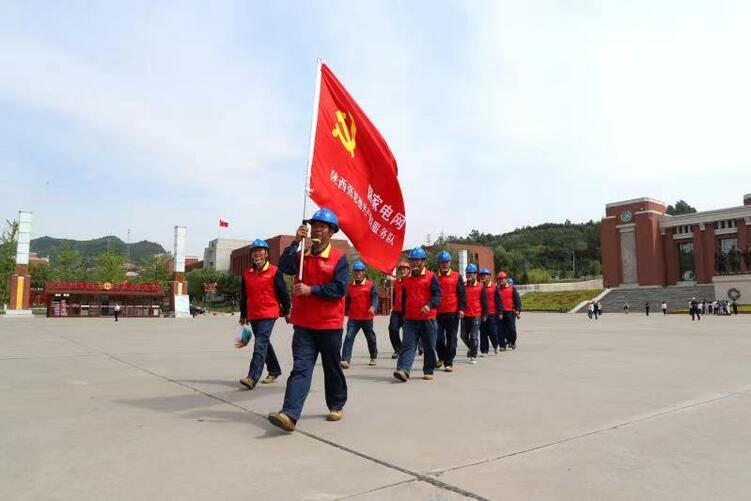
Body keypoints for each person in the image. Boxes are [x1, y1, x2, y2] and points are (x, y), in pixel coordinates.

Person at [267, 208, 349, 432]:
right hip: (304, 325)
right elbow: (283, 267)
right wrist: (295, 243)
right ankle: (289, 414)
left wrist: (311, 290)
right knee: (301, 369)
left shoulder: (338, 259)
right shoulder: (302, 256)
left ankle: (336, 404)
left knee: (332, 368)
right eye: (315, 225)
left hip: (329, 326)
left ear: (331, 232)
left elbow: (340, 289)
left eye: (322, 226)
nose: (317, 230)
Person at [237, 239, 290, 389]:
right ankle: (274, 370)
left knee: (260, 343)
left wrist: (287, 310)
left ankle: (252, 377)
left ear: (266, 253)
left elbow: (283, 293)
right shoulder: (247, 273)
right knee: (265, 343)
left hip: (269, 312)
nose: (257, 253)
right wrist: (243, 315)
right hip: (253, 314)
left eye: (260, 250)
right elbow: (244, 295)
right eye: (254, 251)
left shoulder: (274, 271)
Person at [393, 247, 441, 382]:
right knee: (408, 345)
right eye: (412, 260)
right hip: (410, 319)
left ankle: (428, 370)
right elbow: (403, 299)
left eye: (417, 260)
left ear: (423, 262)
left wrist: (429, 305)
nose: (414, 263)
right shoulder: (406, 280)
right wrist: (403, 314)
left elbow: (437, 295)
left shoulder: (431, 277)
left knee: (429, 345)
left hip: (428, 318)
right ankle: (403, 370)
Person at [341, 260, 379, 368]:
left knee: (370, 338)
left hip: (367, 318)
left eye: (360, 271)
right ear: (353, 273)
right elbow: (345, 300)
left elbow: (375, 298)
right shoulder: (350, 286)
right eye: (356, 272)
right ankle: (345, 360)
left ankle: (373, 356)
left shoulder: (370, 285)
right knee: (349, 337)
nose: (358, 274)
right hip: (353, 318)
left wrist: (373, 306)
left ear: (364, 272)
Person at [435, 250, 466, 372]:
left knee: (452, 337)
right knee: (438, 338)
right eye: (442, 262)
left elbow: (462, 294)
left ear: (450, 263)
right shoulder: (434, 277)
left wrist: (461, 309)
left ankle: (449, 362)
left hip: (452, 312)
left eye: (447, 262)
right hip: (437, 313)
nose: (445, 264)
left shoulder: (456, 276)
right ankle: (441, 357)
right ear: (439, 263)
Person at [459, 264, 485, 364]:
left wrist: (485, 314)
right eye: (468, 273)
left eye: (472, 273)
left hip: (476, 315)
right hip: (465, 315)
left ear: (476, 274)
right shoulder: (463, 286)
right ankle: (472, 348)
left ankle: (473, 355)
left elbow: (484, 301)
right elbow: (460, 300)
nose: (469, 275)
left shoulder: (480, 286)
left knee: (473, 336)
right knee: (463, 336)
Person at [387, 261, 410, 359]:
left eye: (405, 268)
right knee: (392, 329)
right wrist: (393, 306)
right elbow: (394, 295)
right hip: (397, 311)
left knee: (409, 331)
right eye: (401, 269)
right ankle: (398, 349)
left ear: (409, 270)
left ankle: (418, 346)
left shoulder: (411, 280)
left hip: (408, 311)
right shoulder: (396, 281)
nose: (403, 270)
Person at [496, 271, 522, 350]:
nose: (501, 280)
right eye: (499, 279)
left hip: (510, 312)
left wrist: (518, 309)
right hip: (500, 312)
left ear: (506, 279)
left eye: (502, 279)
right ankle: (502, 345)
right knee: (500, 329)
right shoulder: (496, 290)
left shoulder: (512, 288)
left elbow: (517, 301)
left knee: (511, 329)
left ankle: (512, 341)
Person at [479, 268, 500, 355]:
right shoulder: (478, 286)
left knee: (492, 331)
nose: (484, 276)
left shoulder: (494, 287)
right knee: (483, 332)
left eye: (486, 275)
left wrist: (500, 312)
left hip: (492, 313)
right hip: (481, 313)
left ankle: (495, 345)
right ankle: (484, 350)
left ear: (489, 276)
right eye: (483, 275)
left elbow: (499, 301)